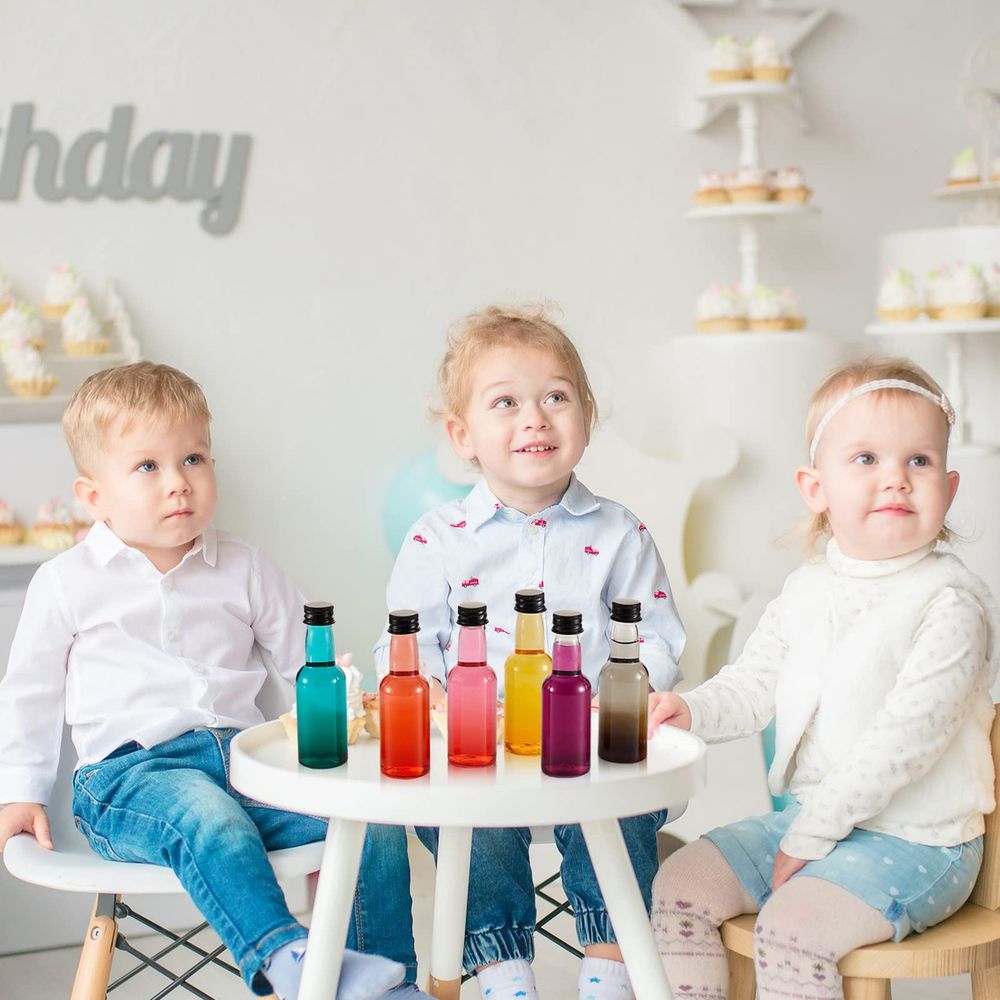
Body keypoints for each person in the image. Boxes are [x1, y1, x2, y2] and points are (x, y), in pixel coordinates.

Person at [0, 362, 411, 1000]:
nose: (178, 484)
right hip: (132, 779)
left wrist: (350, 712)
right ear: (93, 497)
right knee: (208, 816)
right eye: (148, 467)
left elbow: (310, 656)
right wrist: (19, 791)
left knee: (369, 821)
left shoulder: (242, 566)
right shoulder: (67, 582)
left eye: (194, 458)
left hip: (246, 763)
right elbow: (28, 692)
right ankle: (286, 956)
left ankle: (381, 984)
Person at [351, 305, 686, 1000]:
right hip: (478, 742)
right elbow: (407, 644)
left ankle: (608, 965)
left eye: (556, 398)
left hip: (591, 745)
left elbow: (655, 634)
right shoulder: (438, 539)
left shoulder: (620, 533)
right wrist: (434, 699)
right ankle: (504, 972)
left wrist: (631, 692)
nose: (535, 419)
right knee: (464, 819)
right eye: (506, 403)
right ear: (462, 435)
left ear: (587, 418)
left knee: (622, 812)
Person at [650, 357, 999, 1000]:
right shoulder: (808, 588)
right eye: (866, 459)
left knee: (790, 929)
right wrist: (689, 709)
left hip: (919, 839)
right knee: (680, 885)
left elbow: (902, 743)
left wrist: (813, 834)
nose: (895, 478)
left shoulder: (950, 602)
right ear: (816, 488)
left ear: (948, 489)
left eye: (918, 461)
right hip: (814, 821)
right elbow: (755, 684)